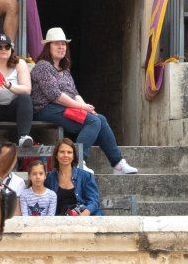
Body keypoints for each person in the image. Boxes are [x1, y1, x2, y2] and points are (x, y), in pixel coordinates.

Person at [29, 31, 135, 172]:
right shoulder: (43, 66)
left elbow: (74, 94)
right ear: (48, 47)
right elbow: (55, 95)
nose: (61, 47)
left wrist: (87, 108)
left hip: (62, 107)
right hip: (45, 108)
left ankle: (117, 163)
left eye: (63, 44)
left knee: (99, 118)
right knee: (92, 121)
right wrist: (81, 107)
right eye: (56, 44)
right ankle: (78, 162)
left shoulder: (64, 70)